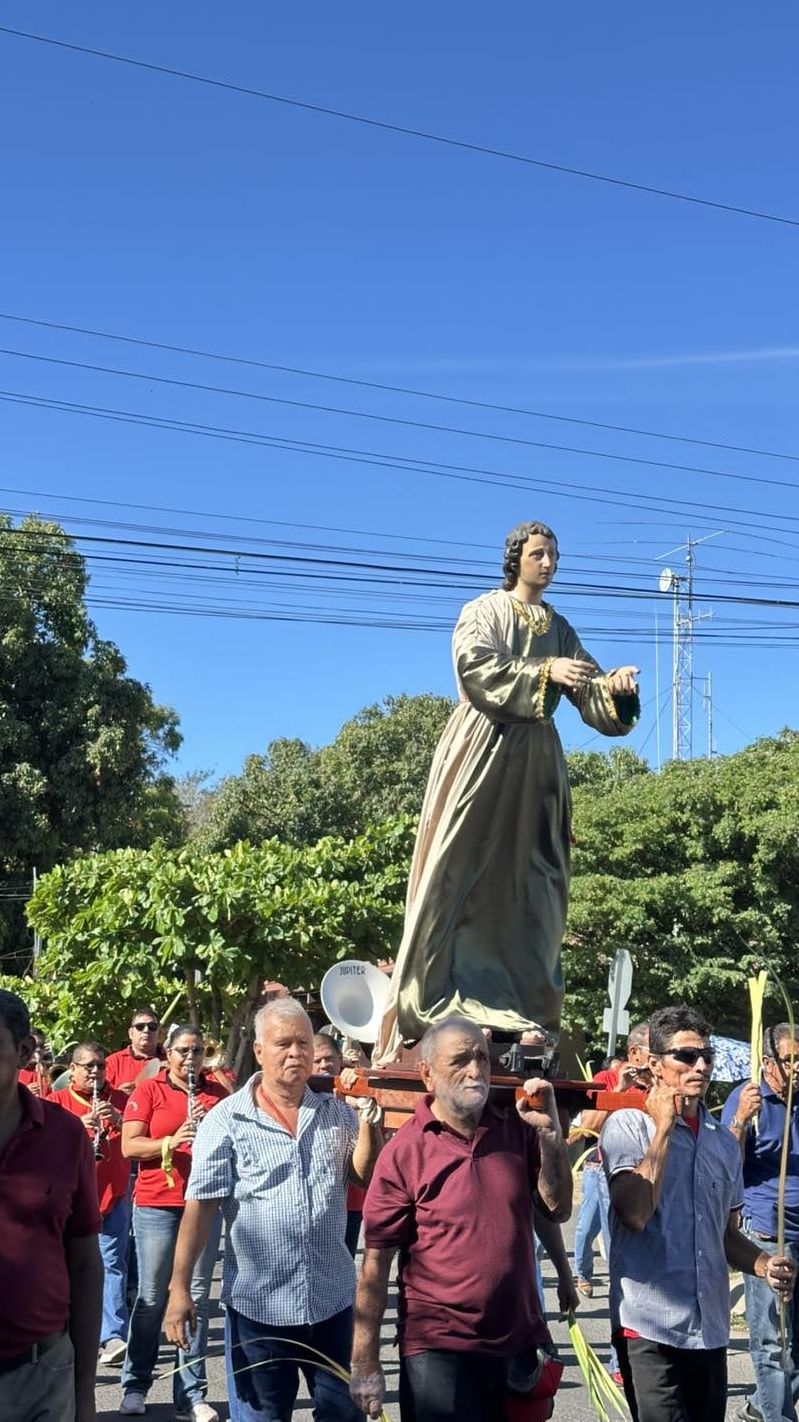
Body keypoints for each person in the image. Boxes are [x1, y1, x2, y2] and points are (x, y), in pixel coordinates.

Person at [374, 522, 639, 1061]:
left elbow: (588, 692)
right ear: (516, 559)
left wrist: (612, 689)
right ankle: (435, 997)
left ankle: (522, 1004)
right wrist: (546, 671)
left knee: (535, 882)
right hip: (483, 748)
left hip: (536, 765)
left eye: (555, 555)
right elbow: (475, 666)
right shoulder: (485, 610)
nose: (548, 563)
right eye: (539, 553)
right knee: (456, 870)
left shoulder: (560, 627)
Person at [164, 999, 382, 1422]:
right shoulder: (226, 1120)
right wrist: (179, 1288)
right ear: (259, 1051)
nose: (295, 1053)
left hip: (331, 1304)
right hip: (259, 1310)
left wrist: (368, 1122)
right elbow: (201, 1207)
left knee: (344, 1416)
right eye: (283, 1043)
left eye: (303, 1042)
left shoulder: (337, 1112)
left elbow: (362, 1177)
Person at [350, 1017, 572, 1421]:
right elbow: (375, 1263)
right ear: (427, 1074)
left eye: (482, 1059)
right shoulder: (403, 1151)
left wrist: (553, 1138)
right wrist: (365, 1362)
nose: (476, 1072)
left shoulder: (517, 1128)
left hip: (516, 1341)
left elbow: (557, 1209)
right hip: (439, 1348)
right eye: (460, 1061)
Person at [603, 1005, 793, 1422]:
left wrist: (762, 1264)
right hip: (648, 1322)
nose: (701, 1066)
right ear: (654, 1064)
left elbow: (724, 1234)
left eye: (707, 1056)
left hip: (707, 1327)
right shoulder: (628, 1126)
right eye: (687, 1056)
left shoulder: (723, 1143)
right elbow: (634, 1213)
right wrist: (664, 1129)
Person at [0, 987, 102, 1422]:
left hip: (45, 1377)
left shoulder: (65, 1134)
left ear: (23, 1051)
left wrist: (85, 1395)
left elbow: (85, 1265)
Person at [119, 1023, 229, 1420]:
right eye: (184, 1050)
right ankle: (135, 1386)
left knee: (195, 1298)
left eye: (198, 1051)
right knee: (151, 1299)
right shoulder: (151, 1090)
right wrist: (172, 1139)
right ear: (168, 1053)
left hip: (203, 1204)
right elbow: (130, 1145)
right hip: (157, 1204)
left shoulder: (216, 1094)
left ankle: (191, 1394)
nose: (191, 1058)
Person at [721, 1022, 799, 1422]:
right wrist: (741, 1120)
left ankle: (761, 1406)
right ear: (768, 1062)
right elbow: (724, 1163)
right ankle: (778, 1416)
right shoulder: (746, 1098)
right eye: (790, 1061)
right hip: (767, 1234)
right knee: (771, 1345)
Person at [48, 1041, 132, 1366]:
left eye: (100, 1065)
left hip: (111, 1196)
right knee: (68, 1267)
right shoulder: (55, 1104)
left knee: (112, 1265)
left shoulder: (121, 1101)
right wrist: (75, 1131)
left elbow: (140, 1140)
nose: (95, 1072)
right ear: (73, 1069)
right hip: (68, 1199)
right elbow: (39, 1152)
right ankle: (63, 1332)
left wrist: (121, 1120)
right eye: (88, 1066)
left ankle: (113, 1336)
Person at [573, 1024, 651, 1298]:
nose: (657, 1061)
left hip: (646, 1174)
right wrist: (619, 1089)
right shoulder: (607, 1077)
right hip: (601, 1167)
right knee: (592, 1225)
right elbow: (585, 1127)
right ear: (635, 1053)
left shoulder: (660, 1085)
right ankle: (582, 1272)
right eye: (653, 1053)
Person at [309, 1030, 373, 1255]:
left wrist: (356, 1101)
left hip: (351, 1200)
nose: (324, 1065)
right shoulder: (300, 1096)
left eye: (329, 1059)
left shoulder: (358, 1086)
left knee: (342, 1261)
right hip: (314, 1200)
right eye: (317, 1061)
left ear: (340, 1059)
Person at [106, 1007, 166, 1095]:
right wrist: (118, 1095)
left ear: (159, 1033)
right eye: (140, 1027)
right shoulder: (113, 1062)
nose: (146, 1030)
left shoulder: (172, 1059)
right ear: (131, 1033)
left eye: (152, 1027)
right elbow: (101, 1095)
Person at [17, 1027, 52, 1097]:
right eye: (34, 1046)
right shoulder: (13, 1072)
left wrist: (47, 1076)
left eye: (41, 1046)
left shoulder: (49, 1070)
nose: (38, 1049)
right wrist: (24, 1092)